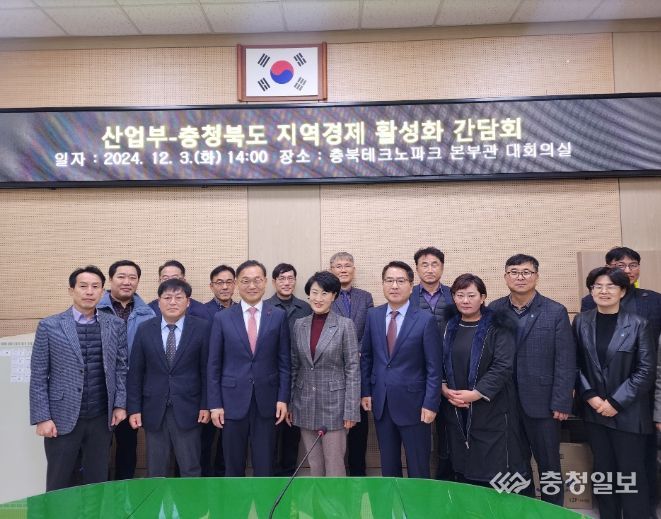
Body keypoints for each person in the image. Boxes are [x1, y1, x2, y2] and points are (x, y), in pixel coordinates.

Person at [29, 266, 128, 491]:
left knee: (97, 481)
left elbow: (121, 367)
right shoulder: (49, 325)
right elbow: (39, 375)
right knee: (59, 481)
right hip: (61, 418)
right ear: (71, 290)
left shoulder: (115, 324)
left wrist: (120, 404)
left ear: (102, 291)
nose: (89, 291)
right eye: (83, 286)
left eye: (95, 287)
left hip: (101, 417)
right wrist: (42, 417)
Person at [489, 254, 576, 505]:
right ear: (505, 277)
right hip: (504, 402)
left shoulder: (555, 311)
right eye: (514, 272)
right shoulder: (494, 309)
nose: (520, 277)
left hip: (543, 402)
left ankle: (551, 511)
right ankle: (524, 509)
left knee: (548, 464)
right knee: (515, 464)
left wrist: (561, 401)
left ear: (536, 277)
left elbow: (565, 360)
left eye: (526, 272)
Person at [581, 246, 661, 516]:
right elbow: (576, 364)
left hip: (629, 410)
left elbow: (646, 369)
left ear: (623, 291)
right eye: (598, 286)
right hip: (595, 411)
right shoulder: (581, 322)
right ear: (591, 291)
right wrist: (591, 397)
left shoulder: (639, 323)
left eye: (611, 286)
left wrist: (615, 402)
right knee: (603, 471)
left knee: (632, 472)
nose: (604, 291)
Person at [442, 273, 529, 489]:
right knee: (462, 465)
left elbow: (503, 366)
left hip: (491, 408)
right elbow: (438, 362)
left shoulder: (498, 326)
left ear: (482, 298)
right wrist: (443, 388)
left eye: (471, 295)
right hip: (456, 406)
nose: (465, 300)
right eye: (460, 295)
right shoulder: (447, 326)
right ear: (453, 297)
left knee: (493, 468)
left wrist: (476, 393)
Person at [207, 260, 291, 476]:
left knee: (265, 465)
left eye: (257, 280)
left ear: (265, 282)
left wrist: (283, 399)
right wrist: (215, 404)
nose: (252, 286)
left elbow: (284, 362)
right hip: (231, 401)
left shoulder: (278, 316)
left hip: (268, 401)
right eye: (245, 281)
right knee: (233, 466)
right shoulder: (222, 318)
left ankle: (265, 500)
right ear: (237, 283)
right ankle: (235, 500)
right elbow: (213, 365)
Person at [361, 261, 442, 478]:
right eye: (389, 280)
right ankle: (392, 501)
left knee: (418, 467)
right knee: (388, 467)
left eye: (400, 281)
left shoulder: (425, 320)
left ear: (411, 285)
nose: (394, 286)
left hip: (415, 405)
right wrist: (366, 391)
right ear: (383, 284)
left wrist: (431, 403)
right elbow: (366, 357)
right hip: (382, 402)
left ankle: (418, 501)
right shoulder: (373, 316)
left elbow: (434, 368)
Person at [127, 278, 210, 477]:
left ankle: (189, 499)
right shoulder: (145, 329)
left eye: (178, 297)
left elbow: (207, 371)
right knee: (156, 469)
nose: (173, 302)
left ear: (188, 302)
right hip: (154, 408)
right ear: (158, 302)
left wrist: (206, 404)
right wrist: (134, 408)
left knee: (190, 468)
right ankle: (158, 500)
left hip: (189, 408)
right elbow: (136, 371)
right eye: (167, 297)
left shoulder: (202, 328)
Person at [287, 271, 360, 476]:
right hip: (305, 403)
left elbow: (353, 369)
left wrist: (351, 410)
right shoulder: (299, 325)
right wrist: (291, 403)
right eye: (314, 292)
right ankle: (318, 499)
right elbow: (294, 366)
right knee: (314, 464)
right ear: (308, 294)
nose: (318, 298)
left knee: (334, 465)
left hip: (335, 406)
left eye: (325, 293)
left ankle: (335, 499)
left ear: (334, 296)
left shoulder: (345, 325)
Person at [97, 259, 155, 481]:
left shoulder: (148, 313)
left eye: (132, 278)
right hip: (99, 388)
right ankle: (98, 492)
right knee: (97, 446)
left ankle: (123, 491)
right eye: (121, 277)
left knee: (128, 445)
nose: (127, 282)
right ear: (110, 279)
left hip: (130, 389)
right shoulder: (95, 308)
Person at [409, 246, 454, 480]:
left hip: (453, 374)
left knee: (450, 432)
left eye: (434, 264)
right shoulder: (407, 297)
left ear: (442, 267)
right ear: (416, 269)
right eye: (424, 265)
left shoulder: (455, 295)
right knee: (419, 433)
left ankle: (446, 481)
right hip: (417, 374)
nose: (429, 269)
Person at [266, 263, 312, 476]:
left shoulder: (306, 308)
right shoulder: (265, 307)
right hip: (271, 376)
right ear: (274, 282)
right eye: (281, 278)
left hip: (298, 377)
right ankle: (271, 478)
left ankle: (288, 476)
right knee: (270, 433)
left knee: (292, 432)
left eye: (290, 278)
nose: (286, 283)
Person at [330, 252, 374, 476]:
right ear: (331, 270)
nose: (343, 269)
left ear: (353, 270)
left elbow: (370, 329)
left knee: (359, 425)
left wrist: (358, 351)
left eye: (347, 265)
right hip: (335, 369)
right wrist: (346, 352)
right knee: (335, 429)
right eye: (338, 266)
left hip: (360, 368)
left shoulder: (365, 297)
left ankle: (358, 475)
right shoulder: (326, 296)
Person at [200, 264, 236, 477]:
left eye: (229, 282)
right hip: (208, 383)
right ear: (211, 286)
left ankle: (224, 478)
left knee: (229, 441)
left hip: (234, 385)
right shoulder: (200, 311)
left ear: (235, 284)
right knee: (204, 440)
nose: (224, 287)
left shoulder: (242, 311)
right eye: (219, 283)